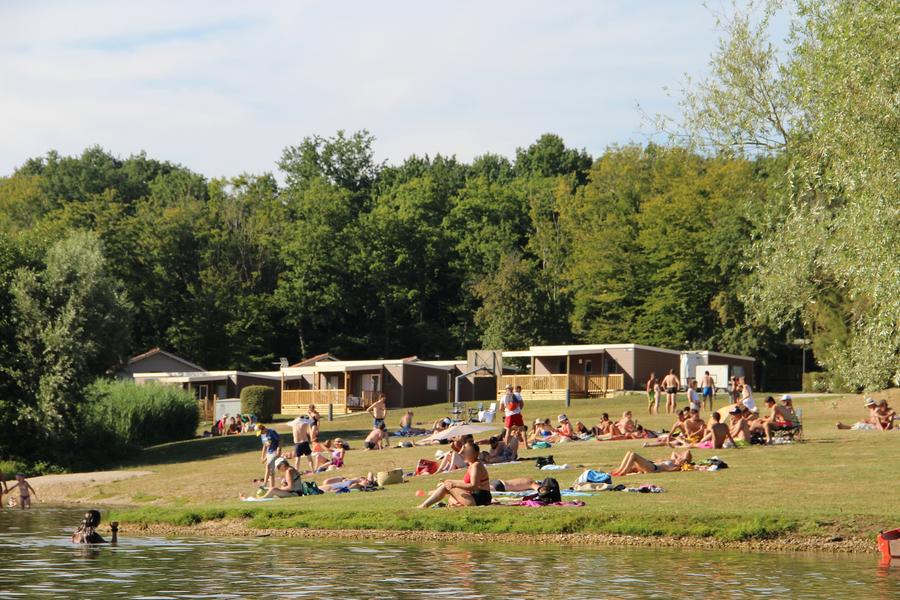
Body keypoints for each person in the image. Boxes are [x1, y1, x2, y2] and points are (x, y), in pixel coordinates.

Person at [417, 442, 492, 508]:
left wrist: (454, 484)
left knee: (446, 487)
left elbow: (474, 485)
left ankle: (424, 505)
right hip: (480, 498)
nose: (464, 453)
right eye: (464, 451)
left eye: (466, 451)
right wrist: (450, 481)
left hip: (480, 499)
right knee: (450, 496)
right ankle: (455, 504)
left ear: (475, 454)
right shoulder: (473, 465)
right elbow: (467, 483)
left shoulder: (476, 466)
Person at [611, 450, 692, 476]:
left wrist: (682, 462)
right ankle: (618, 471)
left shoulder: (675, 467)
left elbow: (688, 452)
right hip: (651, 464)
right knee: (629, 452)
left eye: (681, 458)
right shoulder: (673, 460)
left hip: (653, 468)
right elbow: (674, 452)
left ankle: (623, 472)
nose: (679, 458)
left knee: (633, 455)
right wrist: (679, 459)